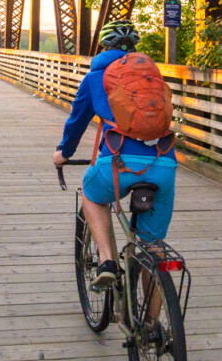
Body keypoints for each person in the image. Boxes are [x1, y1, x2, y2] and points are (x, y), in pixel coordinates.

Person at [51, 20, 177, 290]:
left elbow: (77, 121)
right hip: (164, 163)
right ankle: (154, 328)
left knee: (91, 193)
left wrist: (64, 152)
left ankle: (107, 261)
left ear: (104, 47)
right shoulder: (151, 77)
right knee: (152, 249)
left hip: (117, 165)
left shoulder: (96, 77)